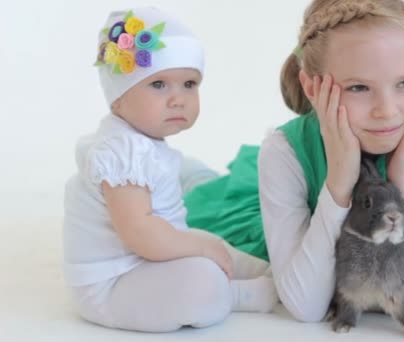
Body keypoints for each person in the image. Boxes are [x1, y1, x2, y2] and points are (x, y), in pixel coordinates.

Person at [257, 0, 404, 323]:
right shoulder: (284, 153)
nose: (386, 111)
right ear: (310, 87)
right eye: (359, 87)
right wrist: (338, 186)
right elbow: (306, 306)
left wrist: (403, 183)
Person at [62, 6, 277, 333]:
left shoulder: (141, 142)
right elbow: (140, 234)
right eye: (159, 84)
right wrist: (201, 250)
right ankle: (235, 294)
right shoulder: (122, 151)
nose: (179, 98)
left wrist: (203, 244)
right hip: (114, 284)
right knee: (201, 279)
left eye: (189, 83)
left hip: (148, 259)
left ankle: (270, 272)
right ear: (117, 98)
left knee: (208, 239)